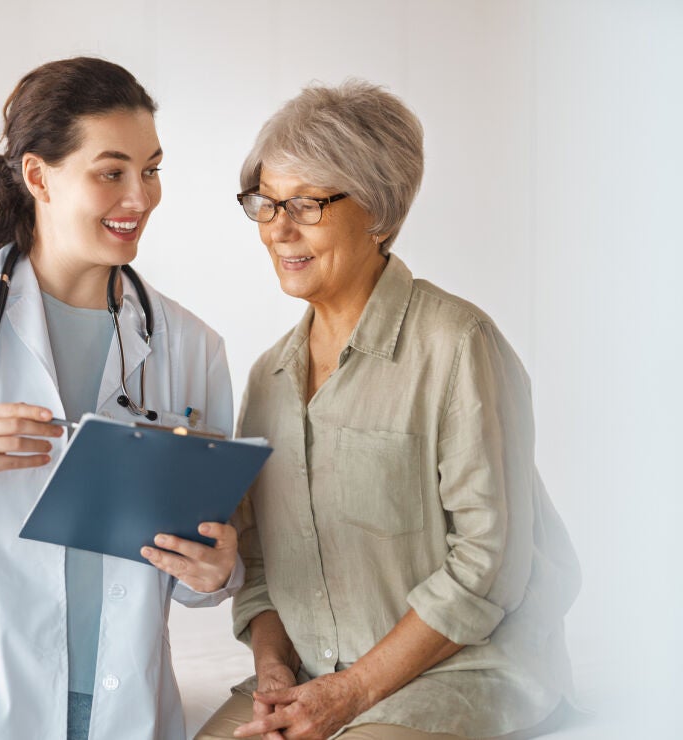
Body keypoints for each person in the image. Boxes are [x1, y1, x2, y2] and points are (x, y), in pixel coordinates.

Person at [0, 57, 242, 740]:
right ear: (37, 176)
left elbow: (190, 575)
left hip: (117, 705)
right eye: (111, 172)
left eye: (151, 169)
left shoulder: (191, 347)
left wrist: (217, 568)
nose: (139, 197)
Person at [196, 80, 581, 740]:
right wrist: (275, 677)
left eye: (307, 204)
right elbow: (258, 567)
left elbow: (488, 567)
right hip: (319, 679)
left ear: (377, 210)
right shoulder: (268, 379)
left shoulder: (458, 345)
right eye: (266, 202)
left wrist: (347, 695)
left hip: (458, 675)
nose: (278, 229)